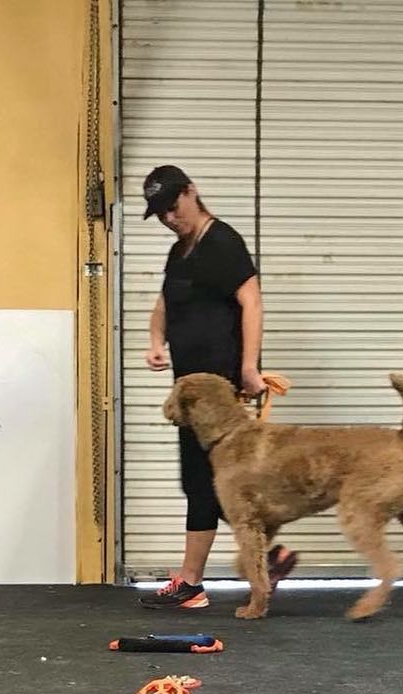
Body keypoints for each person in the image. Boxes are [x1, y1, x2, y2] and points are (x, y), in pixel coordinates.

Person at [139, 164, 297, 609]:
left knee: (204, 481)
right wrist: (155, 342)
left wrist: (249, 368)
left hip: (220, 391)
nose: (171, 218)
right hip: (191, 394)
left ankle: (191, 583)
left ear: (192, 193)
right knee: (206, 481)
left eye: (174, 206)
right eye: (161, 214)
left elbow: (252, 301)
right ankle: (269, 555)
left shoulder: (222, 242)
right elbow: (164, 303)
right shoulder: (179, 252)